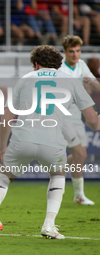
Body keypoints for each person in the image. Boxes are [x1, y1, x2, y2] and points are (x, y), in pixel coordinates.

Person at [0, 45, 100, 239]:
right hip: (52, 142)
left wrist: (2, 147)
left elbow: (7, 117)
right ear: (58, 65)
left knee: (4, 176)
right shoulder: (70, 81)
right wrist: (96, 123)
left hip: (21, 139)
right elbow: (92, 121)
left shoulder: (24, 79)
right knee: (57, 175)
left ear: (36, 64)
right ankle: (48, 225)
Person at [59, 35, 100, 205]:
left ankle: (58, 170)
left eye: (78, 51)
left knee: (80, 157)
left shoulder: (82, 65)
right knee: (80, 153)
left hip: (77, 116)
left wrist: (92, 82)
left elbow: (94, 84)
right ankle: (79, 196)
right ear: (65, 52)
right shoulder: (60, 68)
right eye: (71, 51)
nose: (75, 54)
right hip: (62, 116)